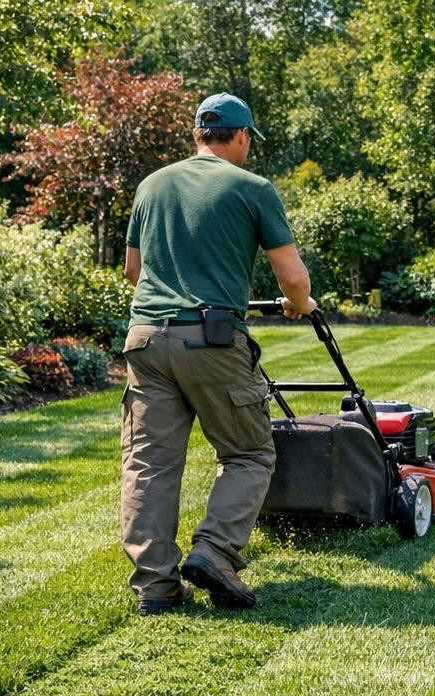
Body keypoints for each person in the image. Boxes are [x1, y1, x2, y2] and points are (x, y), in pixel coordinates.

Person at [120, 92, 315, 614]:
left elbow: (134, 271)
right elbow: (293, 278)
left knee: (149, 465)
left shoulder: (151, 185)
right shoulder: (252, 188)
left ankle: (156, 589)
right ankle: (215, 552)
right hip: (211, 339)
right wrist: (301, 304)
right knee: (249, 453)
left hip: (145, 339)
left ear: (198, 134)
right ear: (242, 135)